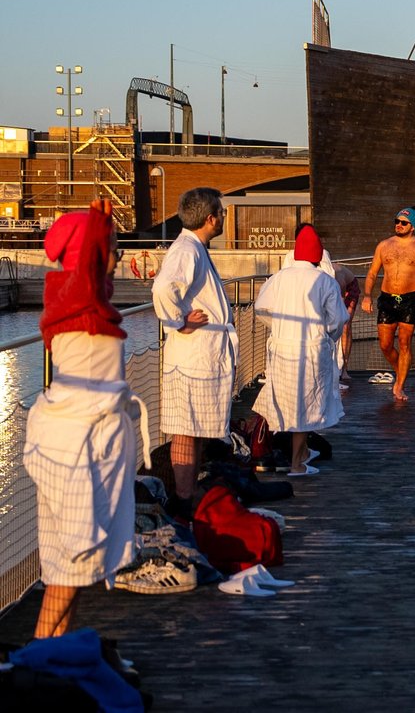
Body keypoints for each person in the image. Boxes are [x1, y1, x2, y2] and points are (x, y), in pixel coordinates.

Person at [24, 200, 147, 637]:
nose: (117, 257)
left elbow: (97, 275)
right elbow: (93, 268)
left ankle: (52, 656)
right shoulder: (78, 296)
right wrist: (97, 224)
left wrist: (101, 227)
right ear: (90, 256)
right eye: (111, 249)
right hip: (78, 443)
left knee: (70, 564)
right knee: (69, 568)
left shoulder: (76, 299)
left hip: (79, 436)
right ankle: (36, 657)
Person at [152, 187, 237, 520]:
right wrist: (178, 322)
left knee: (198, 427)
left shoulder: (197, 249)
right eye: (222, 212)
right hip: (191, 360)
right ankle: (184, 499)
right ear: (210, 218)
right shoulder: (185, 250)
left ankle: (191, 492)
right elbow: (163, 287)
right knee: (186, 428)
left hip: (204, 360)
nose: (223, 217)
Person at [252, 224, 346, 476]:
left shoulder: (278, 278)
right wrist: (327, 335)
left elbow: (261, 308)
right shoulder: (325, 281)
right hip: (312, 349)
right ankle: (297, 464)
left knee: (286, 401)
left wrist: (278, 327)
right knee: (306, 404)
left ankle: (298, 455)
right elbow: (337, 320)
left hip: (282, 348)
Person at [360, 205, 415, 401]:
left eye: (404, 223)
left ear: (413, 226)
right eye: (397, 221)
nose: (399, 225)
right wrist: (367, 295)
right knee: (385, 345)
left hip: (410, 300)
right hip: (387, 298)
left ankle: (400, 386)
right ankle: (400, 369)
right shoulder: (384, 245)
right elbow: (372, 273)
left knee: (405, 343)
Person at [333, 263, 361, 387]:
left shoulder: (336, 274)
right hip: (336, 291)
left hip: (348, 290)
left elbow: (342, 294)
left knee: (345, 325)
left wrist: (341, 311)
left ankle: (344, 368)